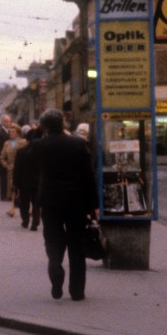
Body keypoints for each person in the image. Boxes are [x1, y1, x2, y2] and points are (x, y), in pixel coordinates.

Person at [28, 109, 98, 301]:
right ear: (63, 123)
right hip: (77, 202)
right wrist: (94, 205)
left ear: (43, 126)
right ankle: (77, 291)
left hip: (50, 202)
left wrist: (37, 134)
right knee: (77, 246)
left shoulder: (39, 145)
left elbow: (28, 160)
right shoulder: (79, 144)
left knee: (53, 240)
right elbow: (89, 176)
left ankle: (56, 271)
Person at [13, 127, 42, 231]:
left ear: (27, 140)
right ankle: (35, 222)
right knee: (36, 203)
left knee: (24, 202)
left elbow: (17, 169)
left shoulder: (21, 152)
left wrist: (15, 183)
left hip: (23, 182)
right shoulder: (40, 153)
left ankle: (25, 220)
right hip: (37, 182)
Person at [0, 124, 24, 215]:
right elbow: (2, 157)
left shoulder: (23, 142)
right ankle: (12, 208)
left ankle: (28, 208)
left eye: (13, 132)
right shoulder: (6, 143)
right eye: (10, 132)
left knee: (22, 189)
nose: (11, 133)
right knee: (12, 188)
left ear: (17, 133)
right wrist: (6, 165)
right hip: (11, 169)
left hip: (21, 168)